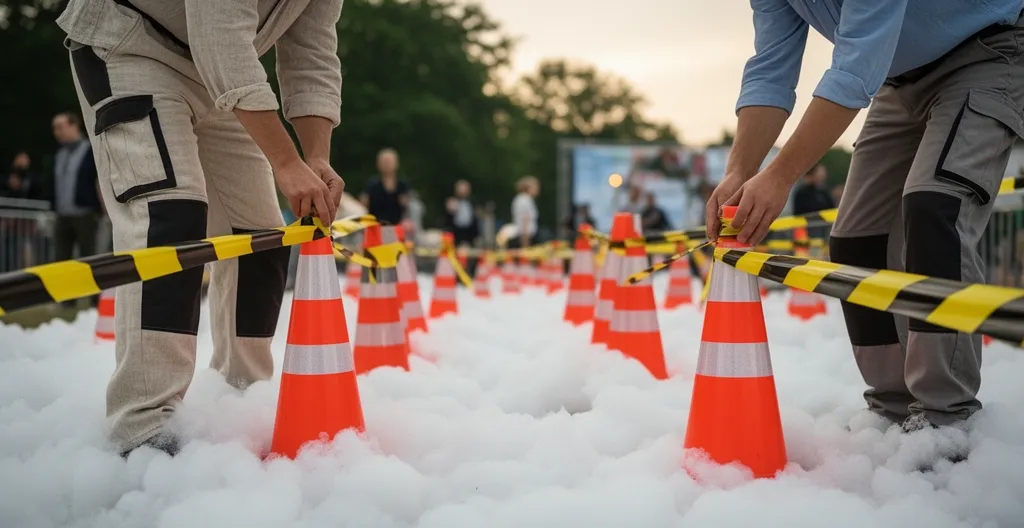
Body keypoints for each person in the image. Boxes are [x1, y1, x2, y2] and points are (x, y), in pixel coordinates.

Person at [704, 1, 1024, 454]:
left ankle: (946, 420)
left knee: (935, 208)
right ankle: (892, 407)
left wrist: (780, 176)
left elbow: (855, 66)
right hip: (897, 79)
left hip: (988, 51)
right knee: (856, 236)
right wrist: (740, 169)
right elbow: (770, 72)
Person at [57, 0, 346, 458]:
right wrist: (286, 162)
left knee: (261, 236)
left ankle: (241, 398)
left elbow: (311, 52)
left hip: (221, 78)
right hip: (132, 45)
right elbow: (220, 33)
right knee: (169, 218)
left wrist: (316, 158)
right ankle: (143, 429)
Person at [51, 113, 102, 269]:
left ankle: (92, 293)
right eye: (54, 128)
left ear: (74, 126)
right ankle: (65, 293)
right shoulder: (60, 154)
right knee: (60, 259)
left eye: (60, 127)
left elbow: (98, 181)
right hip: (62, 214)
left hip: (85, 214)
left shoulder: (90, 151)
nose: (57, 132)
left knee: (89, 257)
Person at [360, 148, 410, 226]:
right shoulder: (372, 184)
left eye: (389, 162)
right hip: (375, 227)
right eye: (384, 162)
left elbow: (408, 208)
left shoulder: (402, 184)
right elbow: (363, 204)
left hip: (399, 227)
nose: (387, 164)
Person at [444, 179, 479, 247]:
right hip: (456, 232)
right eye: (461, 189)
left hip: (469, 233)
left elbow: (475, 218)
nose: (463, 191)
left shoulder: (472, 202)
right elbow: (447, 219)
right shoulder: (452, 201)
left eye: (465, 189)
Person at [509, 176, 539, 249]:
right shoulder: (524, 200)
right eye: (536, 187)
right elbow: (524, 220)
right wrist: (525, 241)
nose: (537, 189)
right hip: (525, 237)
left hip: (525, 236)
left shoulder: (523, 199)